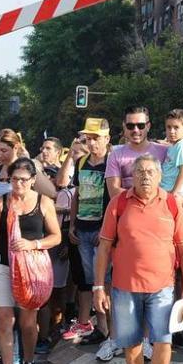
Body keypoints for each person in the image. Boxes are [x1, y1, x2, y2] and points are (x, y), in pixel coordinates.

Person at [93, 154, 183, 364]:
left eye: (150, 171)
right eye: (139, 171)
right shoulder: (119, 203)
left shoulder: (172, 203)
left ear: (160, 176)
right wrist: (97, 287)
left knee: (163, 340)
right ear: (132, 176)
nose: (145, 176)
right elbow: (104, 247)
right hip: (124, 286)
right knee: (132, 342)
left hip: (162, 286)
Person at [0, 158, 61, 364]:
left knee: (28, 323)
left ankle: (28, 363)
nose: (18, 184)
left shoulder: (43, 202)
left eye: (23, 180)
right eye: (14, 179)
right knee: (4, 319)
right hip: (4, 267)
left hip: (31, 270)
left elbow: (56, 236)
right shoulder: (0, 203)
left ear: (33, 181)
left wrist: (33, 244)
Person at [62, 119, 112, 348]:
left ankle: (113, 331)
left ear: (107, 138)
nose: (91, 142)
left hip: (104, 232)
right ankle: (101, 328)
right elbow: (77, 195)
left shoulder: (112, 162)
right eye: (88, 138)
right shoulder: (81, 162)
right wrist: (72, 224)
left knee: (107, 282)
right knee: (93, 282)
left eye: (96, 138)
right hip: (83, 229)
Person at [105, 106, 168, 198]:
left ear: (148, 126)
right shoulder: (115, 155)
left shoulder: (164, 152)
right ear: (124, 126)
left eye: (140, 125)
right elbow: (114, 192)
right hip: (127, 210)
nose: (135, 130)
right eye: (130, 126)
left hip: (159, 209)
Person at [0, 129, 56, 202]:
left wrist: (28, 165)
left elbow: (51, 193)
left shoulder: (26, 167)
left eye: (4, 150)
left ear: (16, 147)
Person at [160, 109, 183, 203]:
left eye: (176, 127)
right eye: (168, 127)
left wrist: (173, 193)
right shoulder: (174, 145)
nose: (172, 131)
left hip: (172, 192)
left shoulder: (182, 146)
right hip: (166, 190)